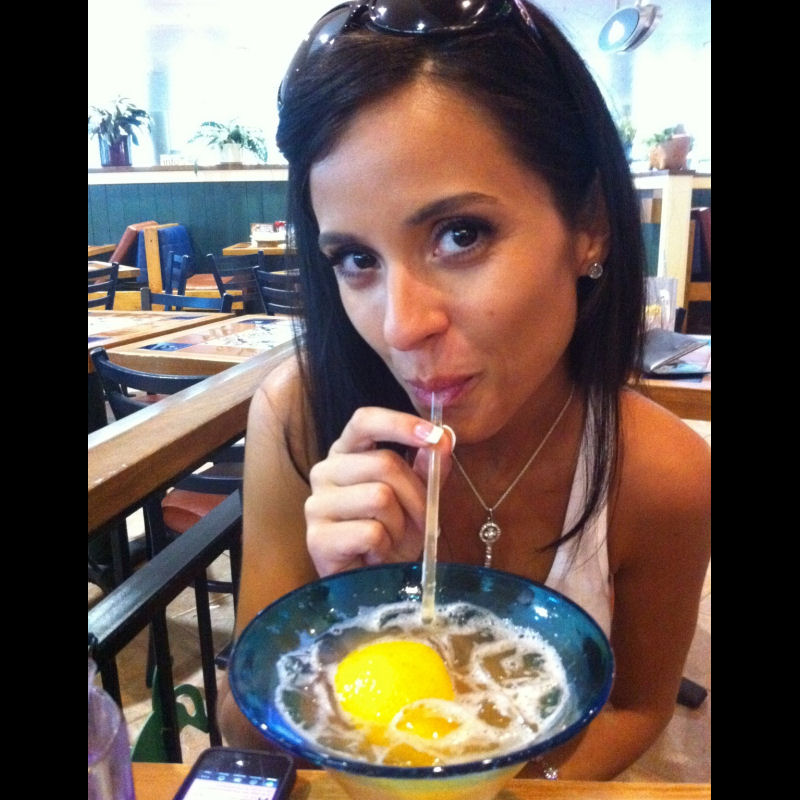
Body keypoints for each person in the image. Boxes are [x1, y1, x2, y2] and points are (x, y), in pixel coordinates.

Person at [218, 0, 711, 780]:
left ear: (589, 224)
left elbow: (633, 708)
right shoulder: (300, 417)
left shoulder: (666, 475)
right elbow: (243, 736)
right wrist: (331, 610)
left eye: (460, 235)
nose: (400, 326)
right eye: (356, 260)